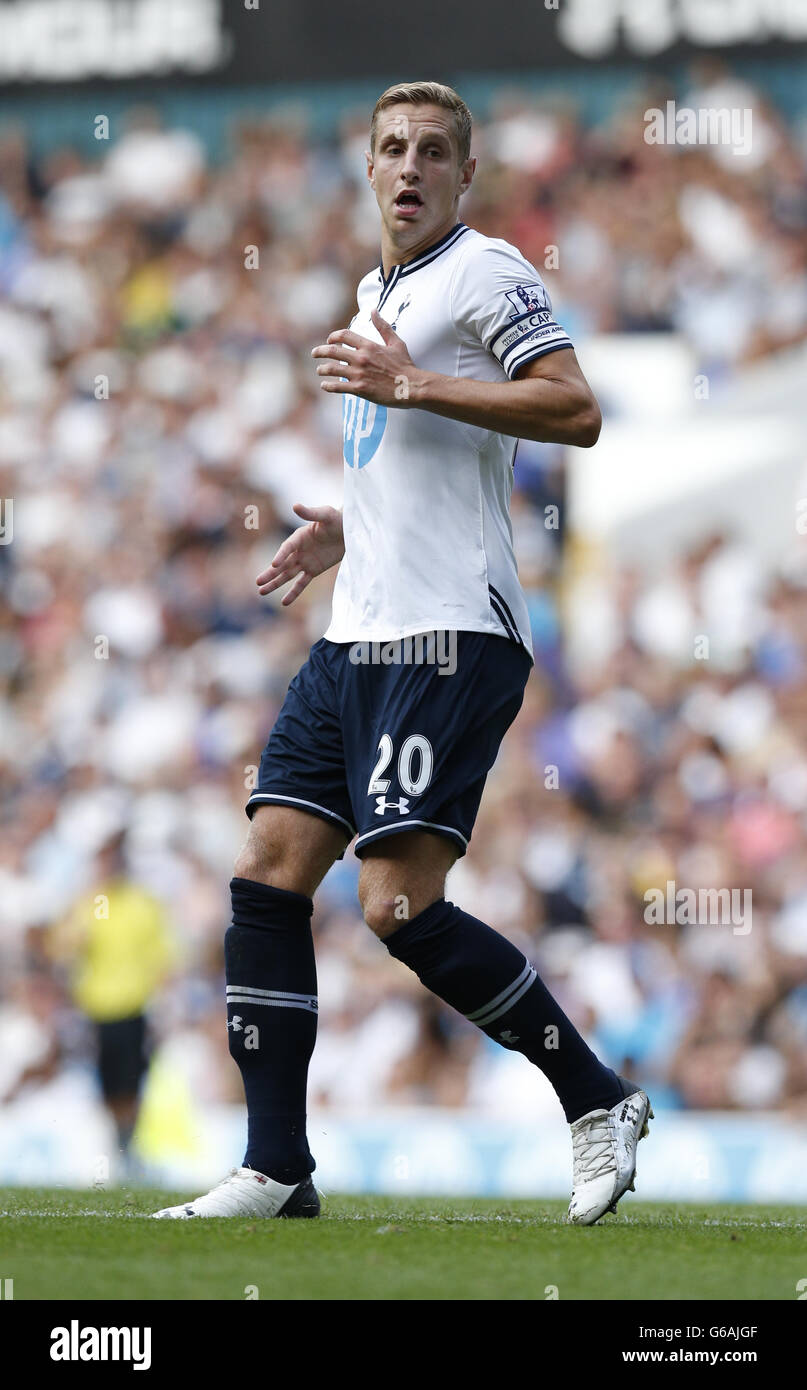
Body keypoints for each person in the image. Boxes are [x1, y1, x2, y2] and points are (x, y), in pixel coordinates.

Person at [154, 80, 651, 1226]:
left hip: (446, 633)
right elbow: (411, 459)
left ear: (464, 175)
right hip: (356, 629)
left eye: (435, 150)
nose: (412, 166)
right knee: (268, 869)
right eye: (393, 149)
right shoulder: (374, 288)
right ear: (369, 169)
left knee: (396, 908)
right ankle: (277, 1166)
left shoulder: (489, 272)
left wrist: (416, 381)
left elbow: (575, 409)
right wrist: (346, 524)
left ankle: (597, 1098)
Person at [51, 832, 177, 1178]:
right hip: (97, 1009)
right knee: (107, 1083)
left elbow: (162, 956)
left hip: (133, 1006)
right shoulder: (90, 902)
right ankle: (118, 1148)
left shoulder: (142, 903)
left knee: (132, 1081)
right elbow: (63, 948)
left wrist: (162, 1002)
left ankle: (127, 1149)